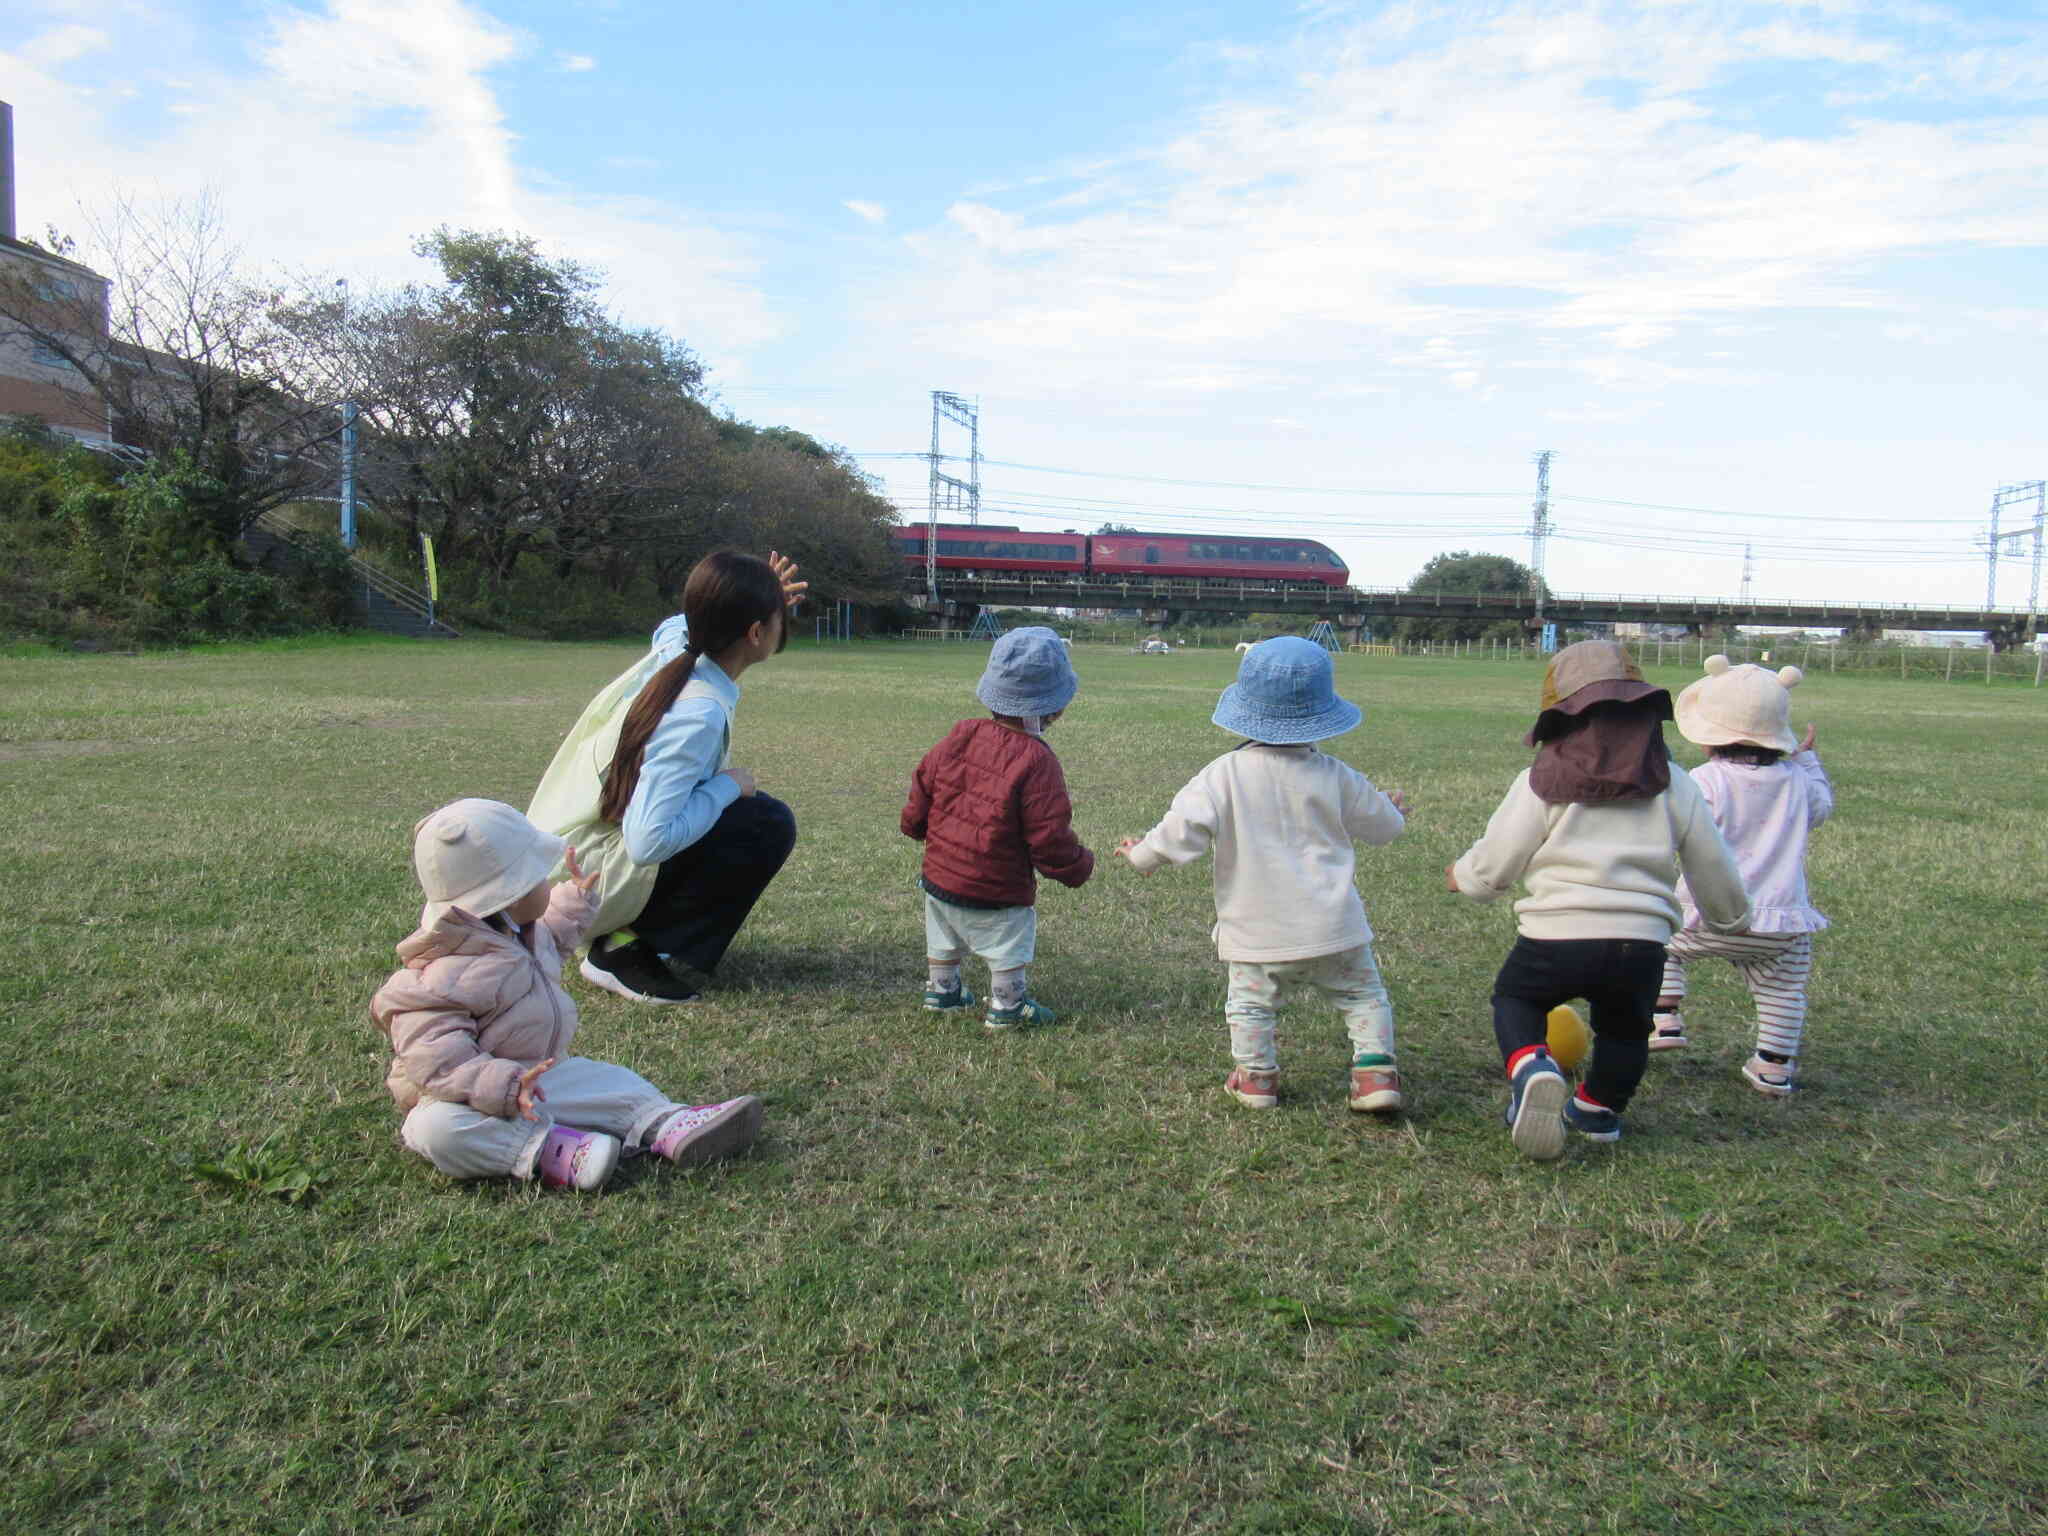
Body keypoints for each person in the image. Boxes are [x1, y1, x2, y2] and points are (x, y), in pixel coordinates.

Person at [1448, 641, 1750, 1160]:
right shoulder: (1675, 785)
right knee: (1626, 1031)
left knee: (1516, 1000)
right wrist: (1730, 916)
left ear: (1559, 718)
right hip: (1641, 943)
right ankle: (1597, 1108)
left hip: (1554, 938)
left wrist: (1465, 878)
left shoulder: (1541, 782)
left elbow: (1500, 856)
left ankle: (1531, 1065)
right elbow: (1711, 860)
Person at [370, 799, 762, 1192]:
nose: (547, 883)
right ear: (507, 899)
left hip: (540, 1076)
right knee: (435, 1130)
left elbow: (552, 937)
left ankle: (664, 1121)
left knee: (604, 1080)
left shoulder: (521, 935)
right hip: (465, 1099)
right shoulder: (436, 980)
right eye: (539, 880)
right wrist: (504, 1085)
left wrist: (576, 899)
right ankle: (545, 1149)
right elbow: (438, 1060)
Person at [1115, 637, 1410, 1112]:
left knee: (1251, 1006)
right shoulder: (1336, 774)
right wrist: (1394, 811)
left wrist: (1142, 856)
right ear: (1322, 714)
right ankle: (1375, 1075)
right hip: (1336, 928)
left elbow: (1179, 831)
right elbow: (1384, 826)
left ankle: (1256, 1079)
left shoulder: (1221, 775)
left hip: (1256, 930)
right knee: (1363, 996)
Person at [529, 551, 805, 1004]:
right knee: (763, 822)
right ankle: (618, 950)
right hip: (579, 881)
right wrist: (728, 786)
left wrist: (754, 591)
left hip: (563, 859)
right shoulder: (697, 711)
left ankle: (626, 936)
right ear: (756, 633)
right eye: (778, 617)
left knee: (741, 812)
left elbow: (673, 623)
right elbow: (648, 841)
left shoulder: (680, 647)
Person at [1653, 657, 1833, 1097]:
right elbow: (1821, 809)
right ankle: (1773, 1065)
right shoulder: (1796, 781)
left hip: (1703, 916)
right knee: (1785, 988)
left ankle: (1663, 1016)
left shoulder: (1704, 780)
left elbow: (1672, 828)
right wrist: (1808, 763)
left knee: (1656, 942)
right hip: (1780, 922)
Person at [901, 626, 1094, 1030]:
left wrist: (915, 825)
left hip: (939, 877)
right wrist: (1077, 866)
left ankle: (943, 992)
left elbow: (924, 785)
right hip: (997, 887)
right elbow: (1048, 837)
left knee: (944, 933)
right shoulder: (1038, 760)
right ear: (1055, 708)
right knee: (1008, 941)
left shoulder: (960, 734)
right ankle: (1007, 1006)